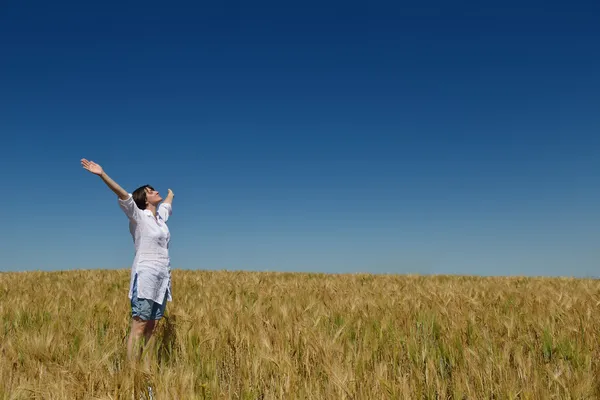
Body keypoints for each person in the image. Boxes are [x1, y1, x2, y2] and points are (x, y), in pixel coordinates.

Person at [81, 158, 174, 363]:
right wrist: (102, 174)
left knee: (153, 327)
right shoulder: (138, 216)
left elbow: (166, 207)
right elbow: (124, 194)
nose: (155, 191)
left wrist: (170, 195)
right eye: (151, 191)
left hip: (162, 279)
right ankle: (131, 373)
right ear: (144, 198)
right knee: (140, 326)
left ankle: (147, 371)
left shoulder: (160, 219)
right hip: (146, 277)